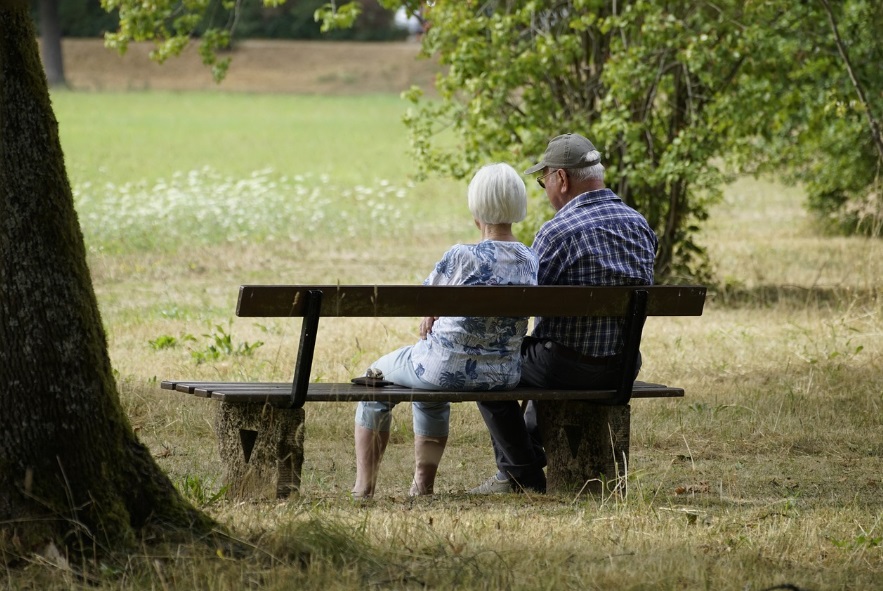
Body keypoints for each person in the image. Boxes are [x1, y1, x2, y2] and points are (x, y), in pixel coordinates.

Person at [469, 133, 659, 494]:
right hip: (622, 367)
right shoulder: (640, 226)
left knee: (486, 362)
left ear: (561, 179)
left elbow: (524, 305)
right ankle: (527, 454)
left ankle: (520, 472)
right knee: (544, 351)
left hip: (566, 368)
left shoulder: (557, 232)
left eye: (544, 182)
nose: (545, 190)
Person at [352, 163, 539, 499]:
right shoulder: (530, 259)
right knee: (428, 390)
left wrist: (431, 312)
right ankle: (422, 486)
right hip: (502, 375)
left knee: (374, 378)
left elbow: (424, 299)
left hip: (443, 369)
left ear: (476, 209)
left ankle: (364, 487)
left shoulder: (461, 256)